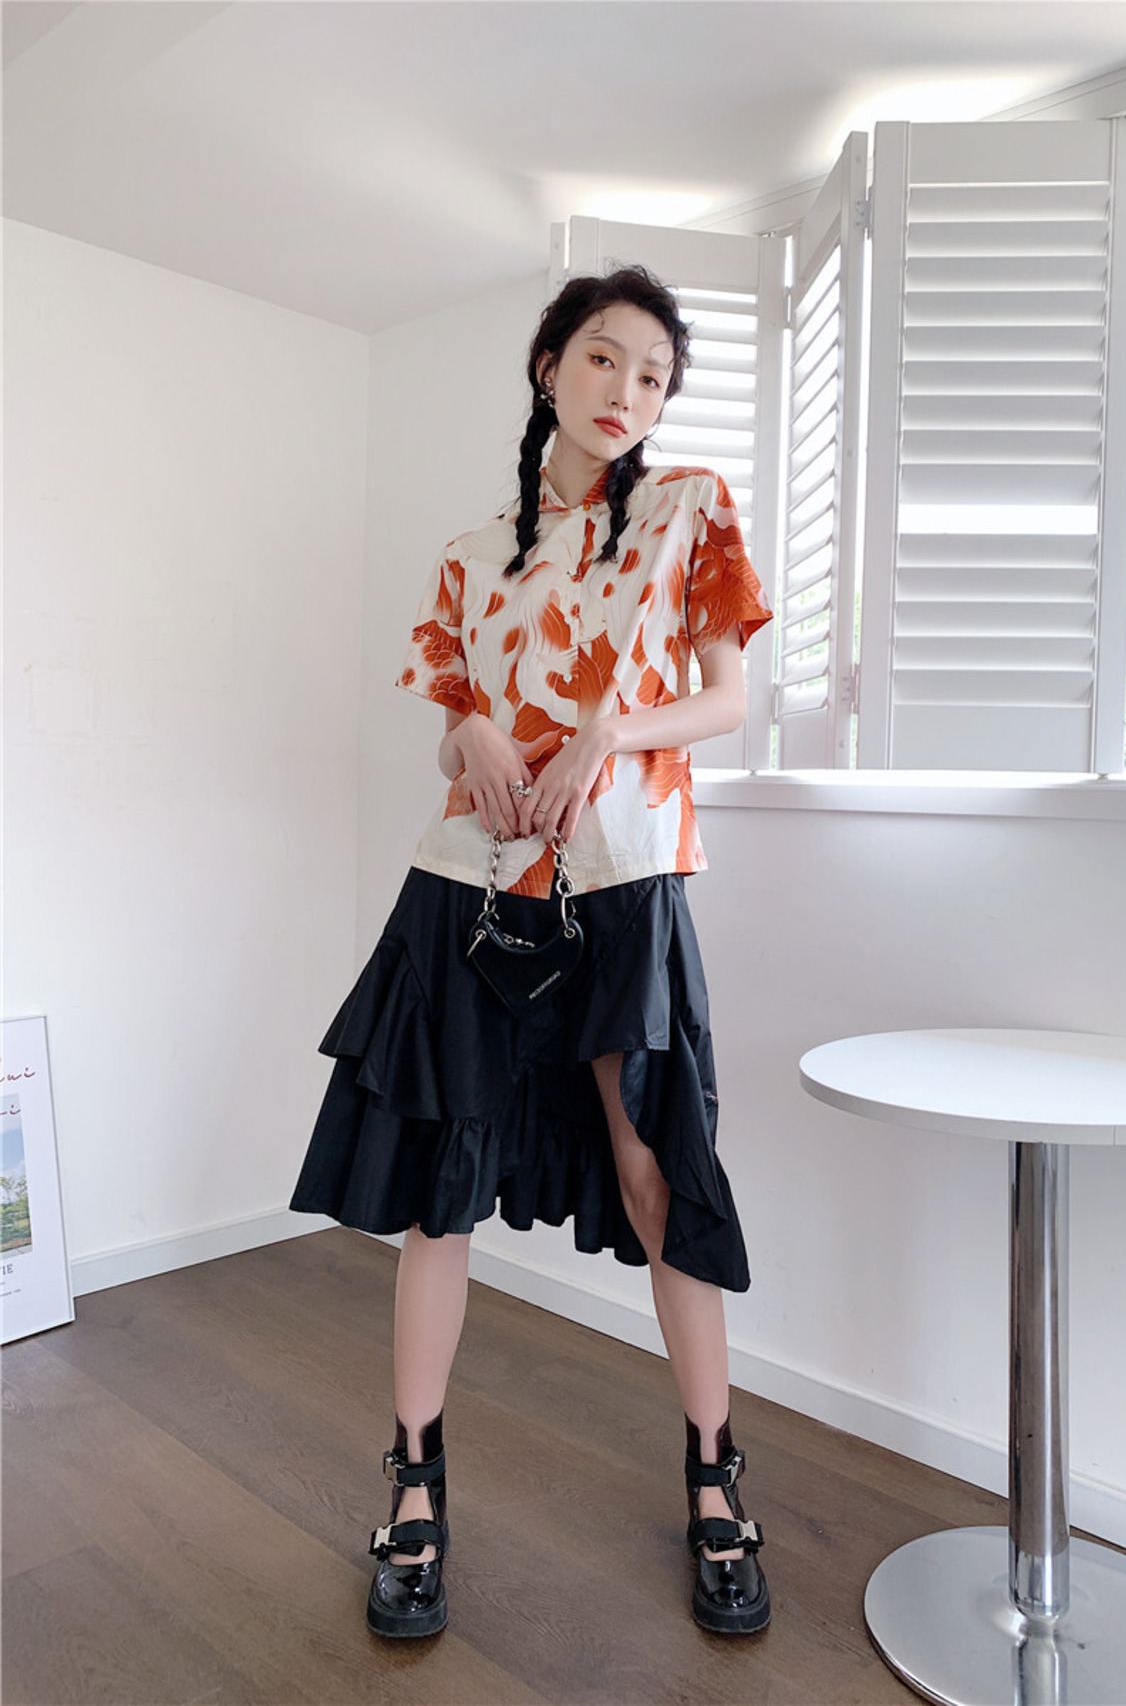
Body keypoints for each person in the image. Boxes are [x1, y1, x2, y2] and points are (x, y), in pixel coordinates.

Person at [288, 264, 775, 1640]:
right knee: (443, 1187)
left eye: (655, 376)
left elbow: (728, 701)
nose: (629, 391)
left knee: (655, 1168)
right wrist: (472, 733)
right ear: (549, 365)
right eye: (606, 359)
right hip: (474, 884)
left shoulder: (688, 511)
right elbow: (453, 736)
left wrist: (613, 729)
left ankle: (714, 1471)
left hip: (623, 879)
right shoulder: (468, 554)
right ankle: (414, 1480)